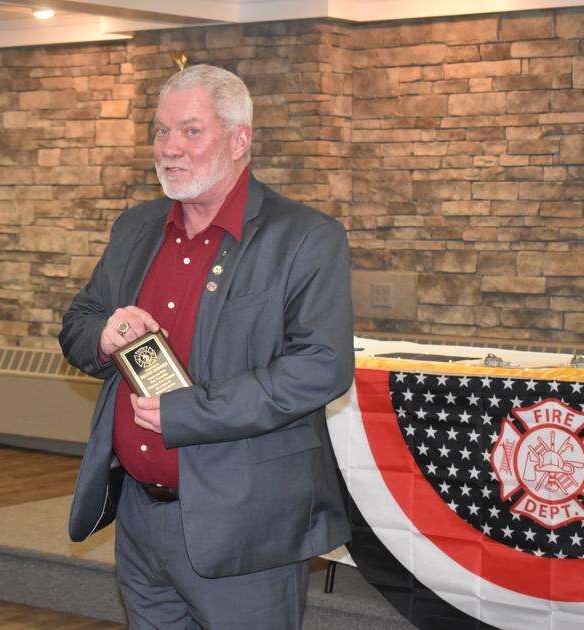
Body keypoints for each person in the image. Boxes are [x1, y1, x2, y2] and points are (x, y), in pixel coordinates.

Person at [59, 64, 354, 629]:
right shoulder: (135, 228)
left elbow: (320, 367)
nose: (169, 148)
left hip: (246, 528)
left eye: (190, 131)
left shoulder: (305, 238)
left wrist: (189, 411)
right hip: (140, 517)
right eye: (161, 131)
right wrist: (103, 335)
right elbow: (78, 322)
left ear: (239, 139)